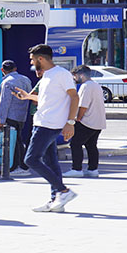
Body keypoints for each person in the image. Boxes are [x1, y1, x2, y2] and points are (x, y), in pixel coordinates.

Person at [14, 44, 79, 212]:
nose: (31, 62)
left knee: (31, 159)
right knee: (51, 162)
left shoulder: (61, 75)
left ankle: (63, 191)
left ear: (40, 59)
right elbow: (46, 99)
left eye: (32, 59)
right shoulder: (47, 76)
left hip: (48, 124)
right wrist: (27, 96)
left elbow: (74, 97)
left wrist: (70, 123)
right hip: (44, 122)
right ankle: (56, 201)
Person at [63, 65, 106, 178]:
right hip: (98, 122)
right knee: (91, 145)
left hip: (87, 121)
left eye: (75, 76)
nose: (74, 79)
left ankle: (76, 169)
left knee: (75, 144)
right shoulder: (96, 85)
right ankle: (93, 169)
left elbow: (83, 106)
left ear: (81, 75)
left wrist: (77, 119)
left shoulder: (86, 86)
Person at [0, 60, 32, 176]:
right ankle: (20, 165)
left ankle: (16, 166)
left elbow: (4, 103)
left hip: (10, 115)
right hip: (22, 115)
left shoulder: (7, 82)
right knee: (18, 140)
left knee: (12, 143)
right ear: (15, 68)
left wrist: (1, 120)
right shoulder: (26, 79)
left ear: (3, 70)